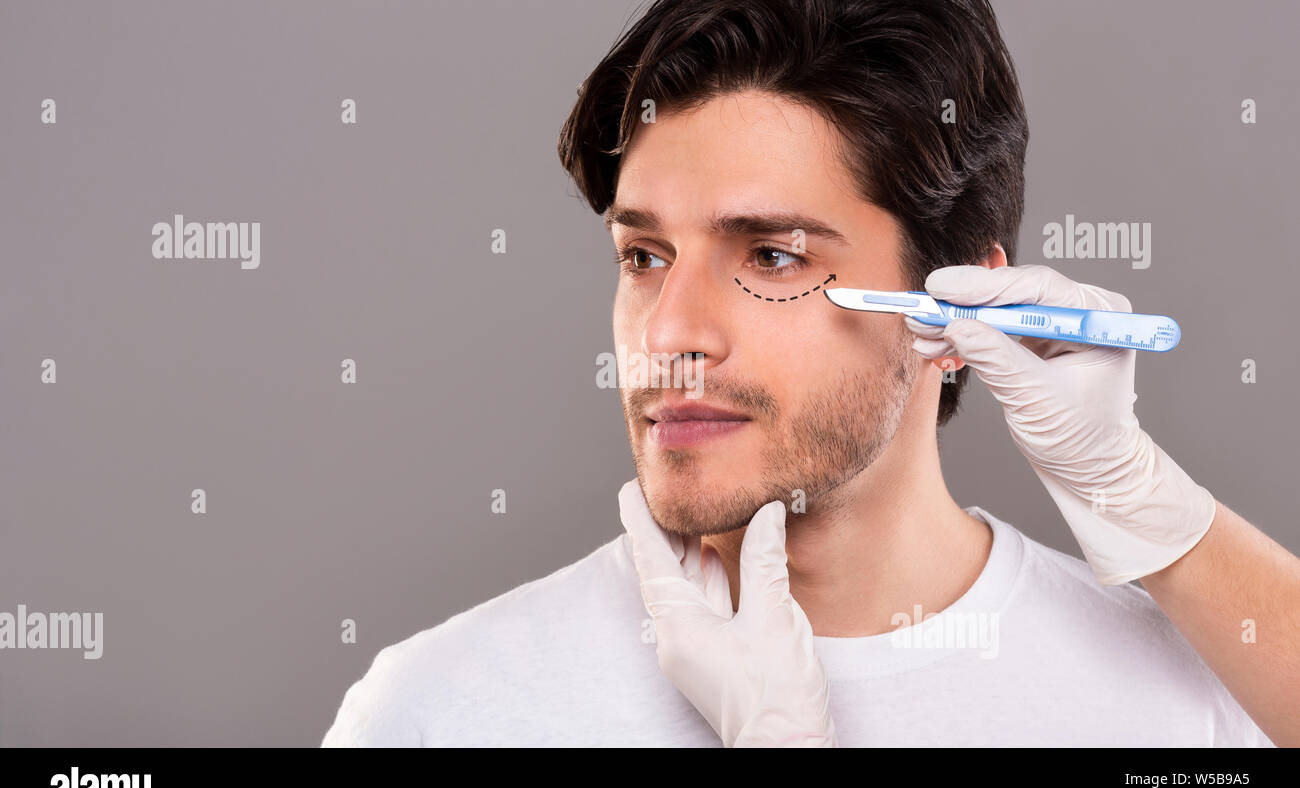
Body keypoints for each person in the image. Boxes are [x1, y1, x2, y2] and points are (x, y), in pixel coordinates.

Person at [321, 0, 1297, 747]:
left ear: (952, 309)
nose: (672, 331)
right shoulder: (439, 715)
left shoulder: (1193, 702)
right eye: (644, 257)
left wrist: (1153, 515)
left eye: (771, 257)